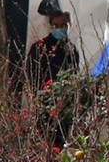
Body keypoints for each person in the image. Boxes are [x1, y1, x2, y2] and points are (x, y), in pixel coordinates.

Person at [26, 11, 80, 146]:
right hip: (44, 104)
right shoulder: (40, 47)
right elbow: (30, 74)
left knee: (61, 143)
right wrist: (41, 96)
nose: (60, 29)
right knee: (43, 142)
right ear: (50, 26)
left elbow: (74, 76)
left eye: (63, 25)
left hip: (64, 107)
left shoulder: (72, 50)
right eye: (56, 25)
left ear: (70, 26)